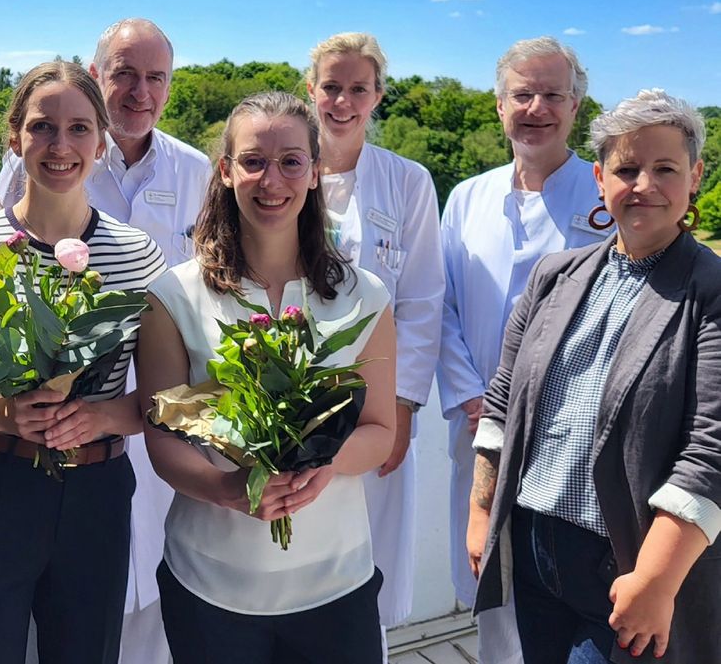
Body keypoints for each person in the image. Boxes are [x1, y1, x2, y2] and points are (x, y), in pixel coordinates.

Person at [0, 60, 165, 664]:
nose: (60, 146)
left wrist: (100, 418)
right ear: (14, 137)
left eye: (79, 129)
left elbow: (163, 398)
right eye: (42, 127)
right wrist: (1, 414)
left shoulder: (137, 257)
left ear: (101, 143)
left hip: (96, 492)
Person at [139, 91, 397, 664]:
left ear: (315, 172)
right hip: (210, 585)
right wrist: (231, 490)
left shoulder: (366, 296)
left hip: (337, 583)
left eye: (291, 162)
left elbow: (381, 430)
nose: (271, 180)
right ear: (226, 171)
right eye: (253, 161)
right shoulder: (173, 296)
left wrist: (325, 463)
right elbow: (162, 435)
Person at [467, 88, 721, 663]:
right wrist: (481, 513)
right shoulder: (553, 277)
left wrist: (654, 581)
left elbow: (711, 450)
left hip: (628, 565)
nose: (644, 184)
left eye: (665, 169)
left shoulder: (710, 292)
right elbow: (503, 402)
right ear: (600, 179)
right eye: (627, 169)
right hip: (534, 550)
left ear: (695, 177)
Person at [0, 17, 210, 664]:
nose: (140, 92)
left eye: (156, 78)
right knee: (75, 604)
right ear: (96, 76)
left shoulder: (196, 171)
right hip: (63, 428)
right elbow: (4, 277)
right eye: (125, 74)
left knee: (157, 584)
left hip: (162, 410)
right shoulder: (41, 162)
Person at [436, 36, 608, 663]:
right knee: (489, 588)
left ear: (576, 106)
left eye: (553, 95)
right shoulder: (467, 197)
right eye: (523, 94)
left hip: (570, 437)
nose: (537, 108)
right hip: (477, 424)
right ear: (499, 104)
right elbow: (441, 306)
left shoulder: (605, 198)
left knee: (559, 590)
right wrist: (471, 398)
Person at [303, 32, 444, 640]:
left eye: (358, 89)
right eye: (331, 87)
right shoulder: (286, 168)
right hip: (291, 396)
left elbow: (423, 300)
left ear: (378, 95)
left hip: (375, 403)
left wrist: (403, 405)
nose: (342, 101)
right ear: (310, 90)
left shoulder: (408, 181)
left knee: (369, 561)